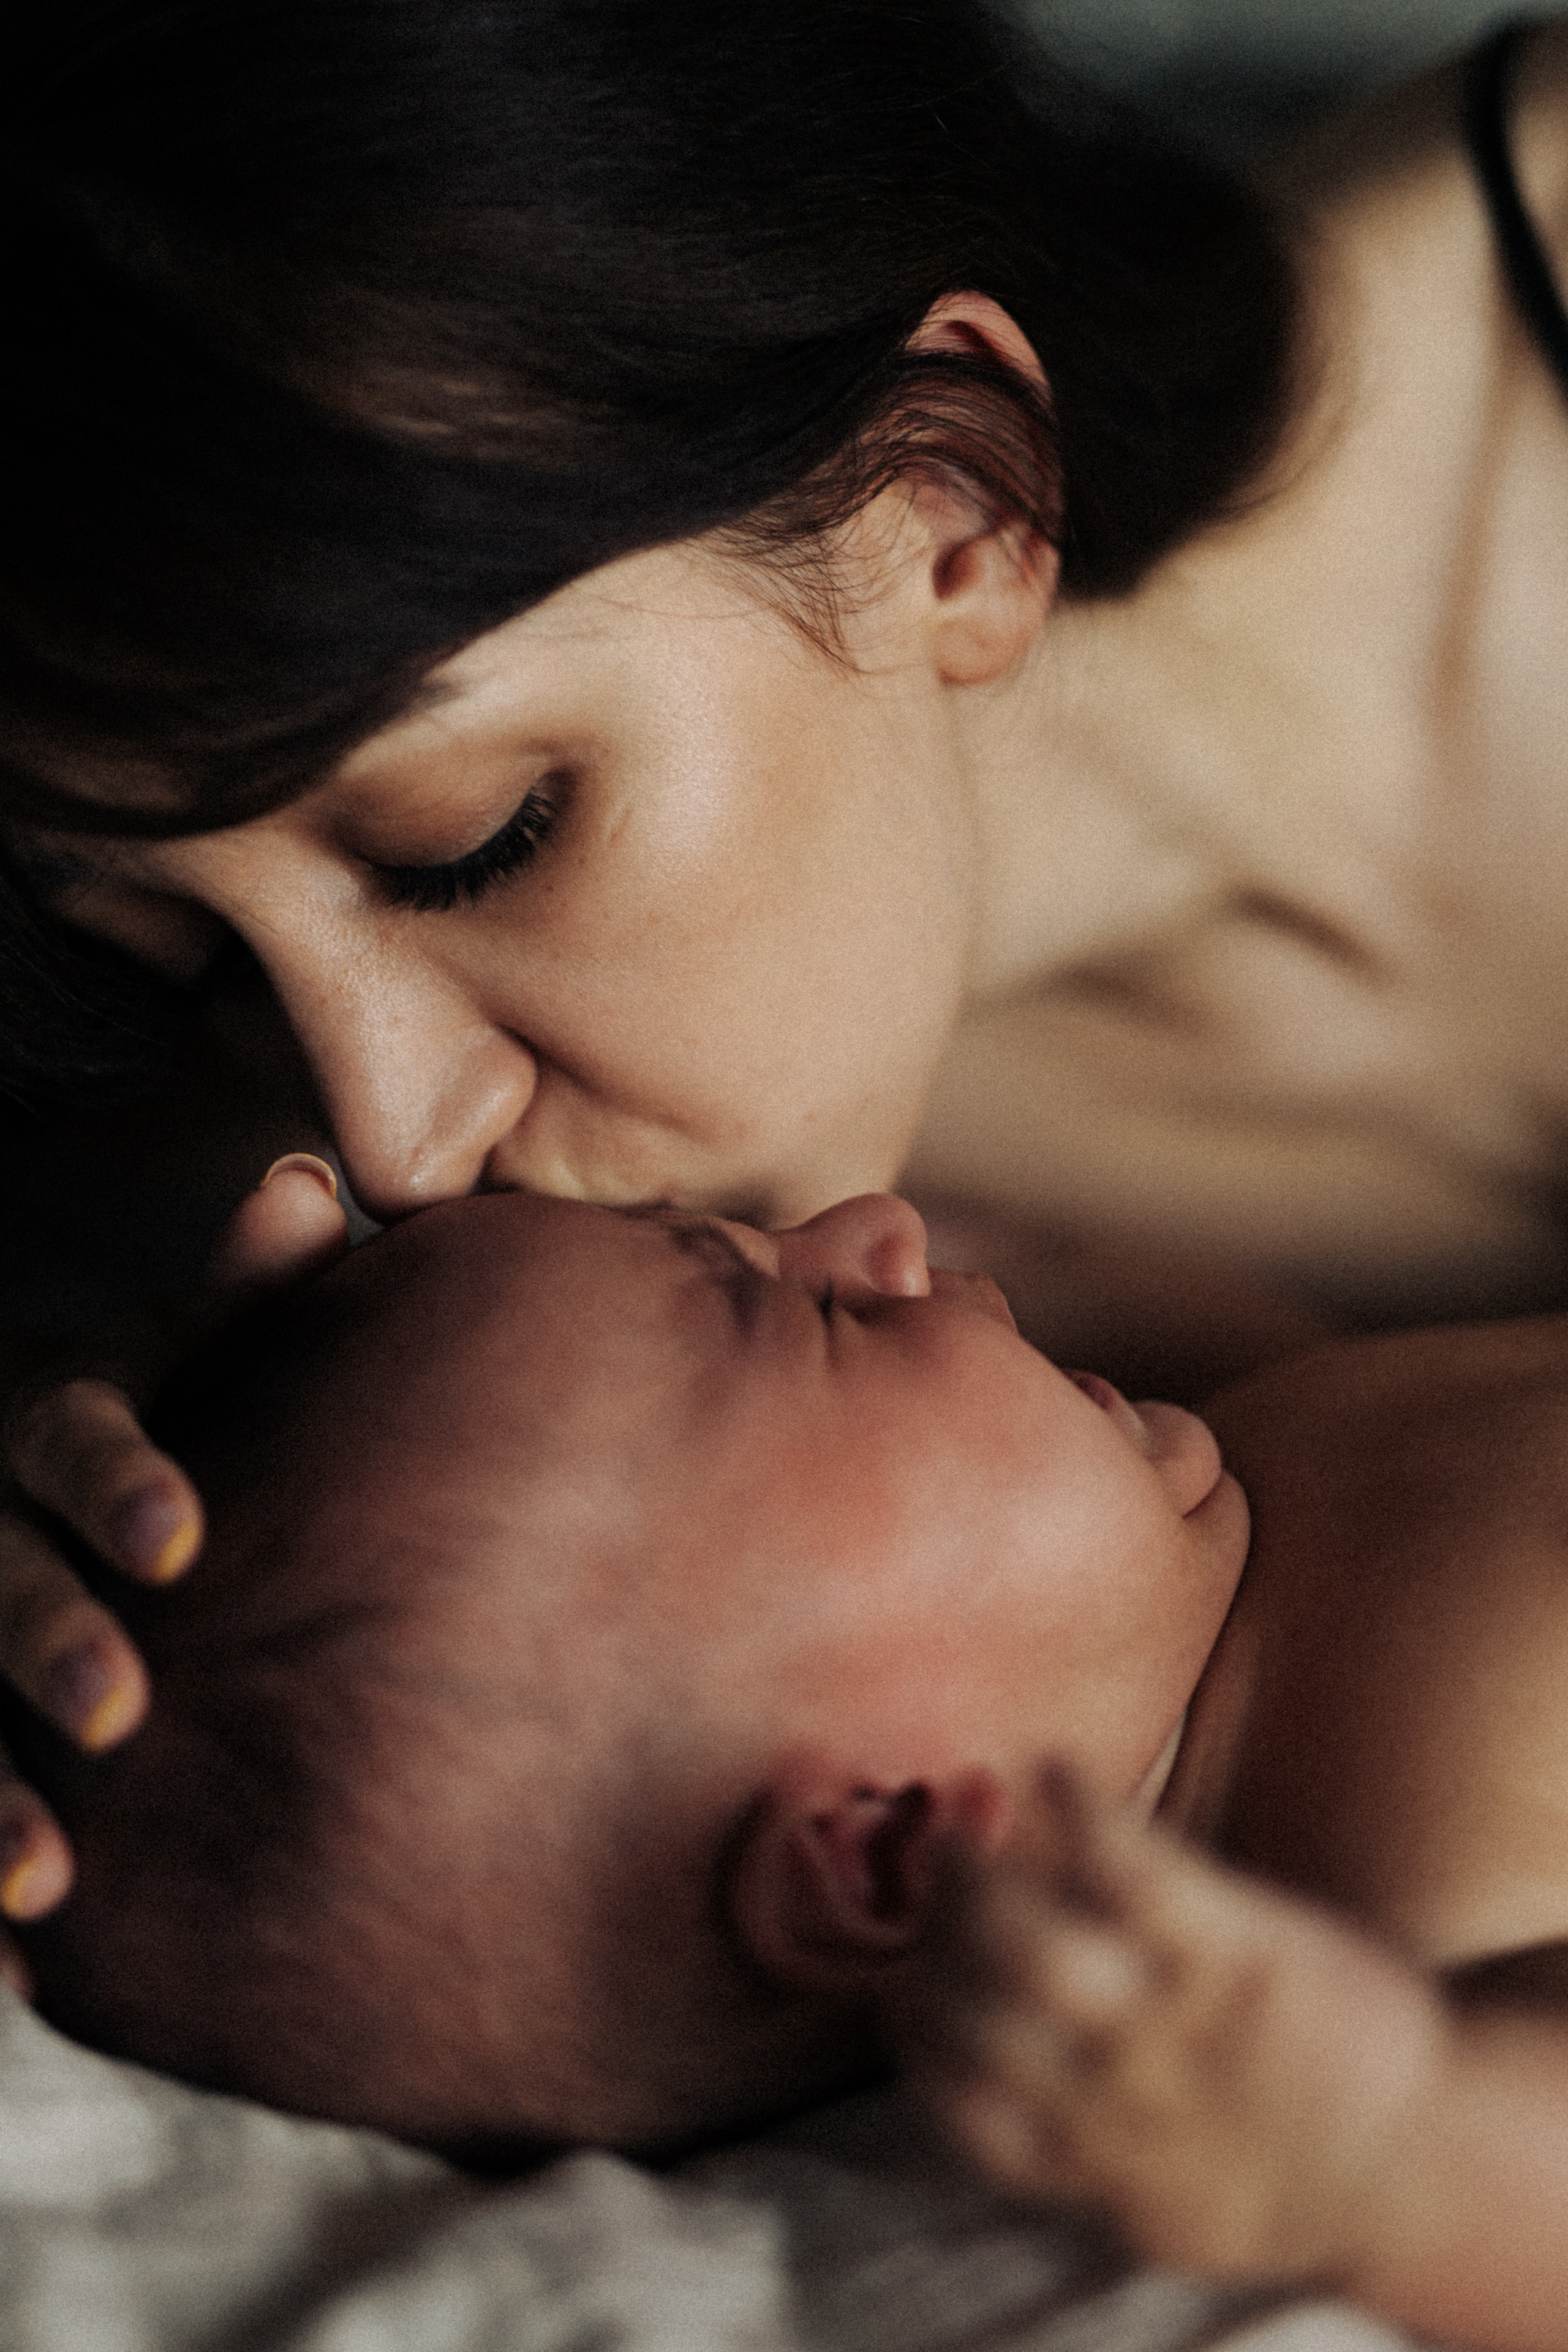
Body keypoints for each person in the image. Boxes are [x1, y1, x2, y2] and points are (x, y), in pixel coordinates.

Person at [2, 0, 1568, 1948]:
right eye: (180, 960)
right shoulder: (548, 1247)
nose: (394, 1147)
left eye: (481, 836)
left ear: (952, 508)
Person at [16, 1182, 1568, 2352]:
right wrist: (1386, 2145)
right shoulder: (1389, 1860)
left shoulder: (1213, 1508)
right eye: (820, 1318)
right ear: (884, 1847)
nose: (871, 1229)